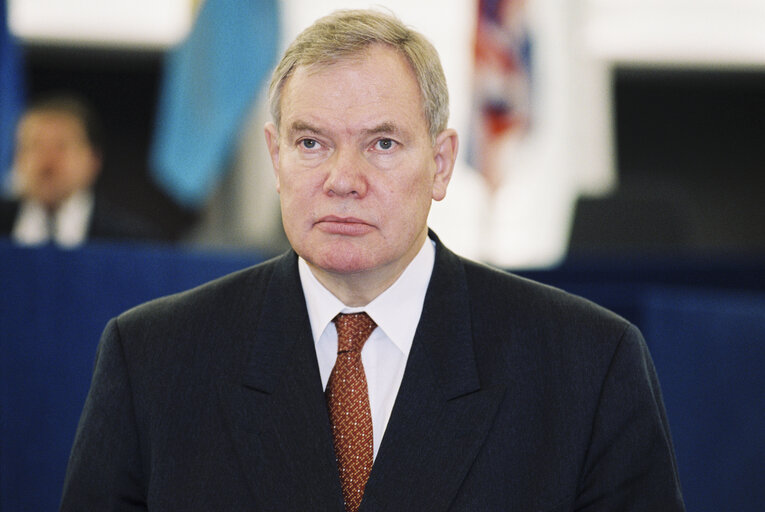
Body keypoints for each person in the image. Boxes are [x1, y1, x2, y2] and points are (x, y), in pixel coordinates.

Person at [60, 9, 685, 511]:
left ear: (440, 164)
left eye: (382, 144)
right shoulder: (152, 359)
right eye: (312, 143)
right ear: (276, 158)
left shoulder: (587, 364)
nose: (343, 179)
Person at [0, 94, 161, 247]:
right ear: (17, 159)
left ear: (93, 161)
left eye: (61, 146)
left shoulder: (132, 241)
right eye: (34, 146)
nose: (47, 160)